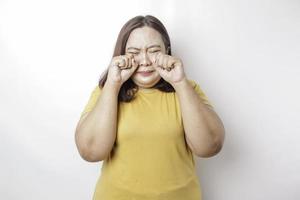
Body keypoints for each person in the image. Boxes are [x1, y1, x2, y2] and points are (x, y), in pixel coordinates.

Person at [75, 15, 225, 200]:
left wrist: (180, 83)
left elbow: (210, 146)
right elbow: (90, 151)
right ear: (121, 54)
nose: (145, 60)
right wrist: (113, 84)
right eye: (134, 52)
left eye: (154, 51)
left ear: (167, 51)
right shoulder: (106, 92)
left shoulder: (188, 89)